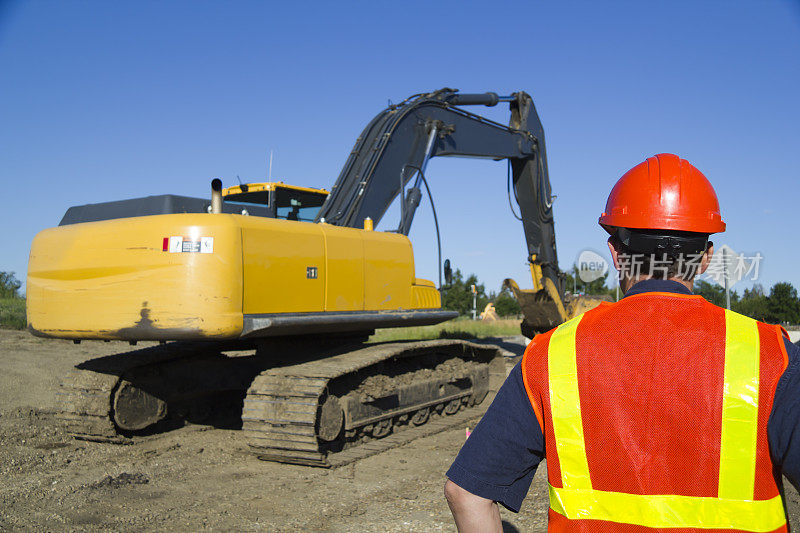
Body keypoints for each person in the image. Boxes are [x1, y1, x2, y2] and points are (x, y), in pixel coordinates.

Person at [445, 153, 800, 531]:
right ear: (705, 258)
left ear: (615, 253)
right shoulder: (770, 354)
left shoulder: (550, 355)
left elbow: (466, 492)